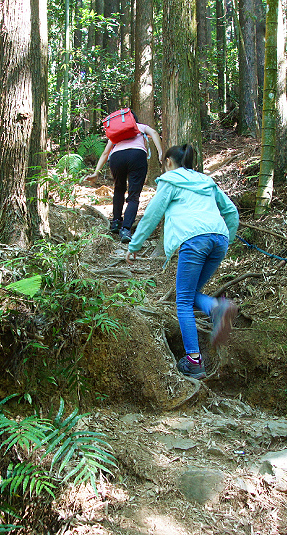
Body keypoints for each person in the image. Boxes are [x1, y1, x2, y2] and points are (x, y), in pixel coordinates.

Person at [125, 144, 239, 379]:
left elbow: (152, 214)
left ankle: (194, 360)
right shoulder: (207, 182)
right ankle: (216, 308)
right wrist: (228, 236)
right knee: (191, 293)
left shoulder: (170, 181)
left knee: (183, 301)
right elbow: (231, 212)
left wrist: (134, 245)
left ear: (168, 162)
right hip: (219, 240)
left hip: (194, 241)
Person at [84, 111, 164, 244]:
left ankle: (115, 222)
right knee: (134, 195)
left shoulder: (117, 131)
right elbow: (155, 133)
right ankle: (126, 229)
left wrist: (96, 172)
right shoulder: (140, 126)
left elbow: (105, 152)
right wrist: (160, 152)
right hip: (137, 156)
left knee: (119, 189)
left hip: (117, 157)